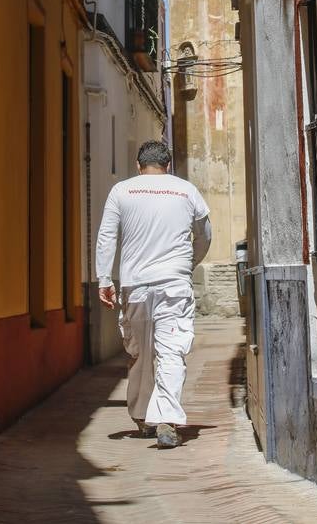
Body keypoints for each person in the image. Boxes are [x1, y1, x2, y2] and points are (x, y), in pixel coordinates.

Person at [96, 140, 211, 449]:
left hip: (134, 286)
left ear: (138, 165)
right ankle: (165, 419)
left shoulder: (122, 191)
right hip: (173, 285)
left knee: (141, 353)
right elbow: (204, 235)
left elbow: (107, 235)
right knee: (171, 351)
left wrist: (104, 278)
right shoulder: (186, 190)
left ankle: (142, 415)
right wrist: (188, 263)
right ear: (168, 165)